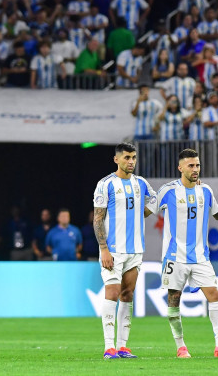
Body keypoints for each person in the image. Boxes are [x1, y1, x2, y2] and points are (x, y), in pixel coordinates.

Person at [155, 148, 218, 358]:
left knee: (214, 295)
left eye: (198, 165)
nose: (195, 169)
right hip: (175, 257)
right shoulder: (168, 191)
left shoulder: (206, 191)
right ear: (180, 167)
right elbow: (147, 210)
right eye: (191, 165)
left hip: (200, 257)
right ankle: (180, 347)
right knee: (174, 299)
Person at [93, 142, 158, 359]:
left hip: (135, 250)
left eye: (133, 158)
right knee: (112, 293)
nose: (131, 162)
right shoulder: (105, 184)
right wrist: (104, 249)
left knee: (127, 295)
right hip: (113, 250)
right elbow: (98, 219)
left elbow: (155, 200)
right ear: (116, 160)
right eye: (127, 158)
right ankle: (108, 347)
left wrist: (141, 215)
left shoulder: (141, 183)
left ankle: (122, 346)